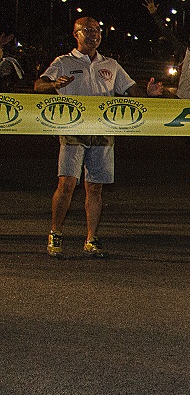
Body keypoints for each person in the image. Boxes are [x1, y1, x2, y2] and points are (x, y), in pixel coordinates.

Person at [35, 17, 164, 258]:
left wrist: (148, 93)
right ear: (76, 34)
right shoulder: (64, 62)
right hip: (73, 132)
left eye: (97, 30)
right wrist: (53, 84)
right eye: (88, 30)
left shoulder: (111, 64)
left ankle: (91, 238)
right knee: (67, 185)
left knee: (95, 188)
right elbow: (38, 85)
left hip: (103, 133)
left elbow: (130, 90)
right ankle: (56, 232)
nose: (94, 34)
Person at [144, 0, 190, 189]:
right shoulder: (186, 52)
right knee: (186, 137)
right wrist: (155, 15)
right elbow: (168, 34)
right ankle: (186, 136)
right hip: (181, 100)